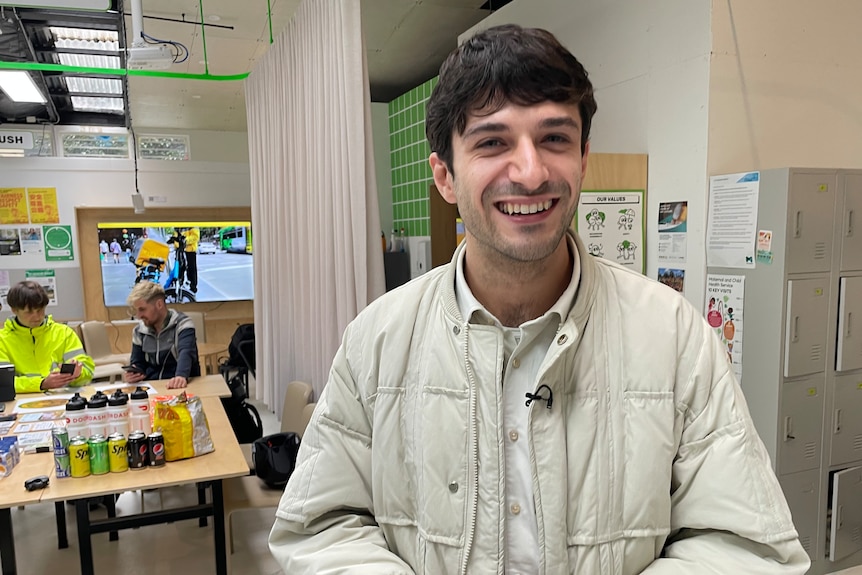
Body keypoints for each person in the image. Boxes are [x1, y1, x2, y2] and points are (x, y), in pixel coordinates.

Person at [268, 24, 809, 574]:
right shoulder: (377, 340)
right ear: (445, 176)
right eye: (492, 142)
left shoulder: (673, 335)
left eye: (554, 138)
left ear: (582, 158)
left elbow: (745, 545)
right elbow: (322, 527)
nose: (530, 172)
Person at [0, 280, 94, 392]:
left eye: (40, 310)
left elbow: (87, 373)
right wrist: (41, 384)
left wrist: (78, 374)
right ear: (14, 310)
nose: (36, 317)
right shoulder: (2, 340)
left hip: (63, 397)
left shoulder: (64, 333)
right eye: (29, 312)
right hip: (22, 402)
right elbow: (3, 383)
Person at [123, 281, 200, 389]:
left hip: (181, 387)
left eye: (142, 309)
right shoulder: (139, 331)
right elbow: (138, 362)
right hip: (152, 388)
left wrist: (180, 376)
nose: (139, 316)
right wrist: (134, 373)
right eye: (137, 311)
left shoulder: (183, 324)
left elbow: (186, 353)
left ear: (159, 304)